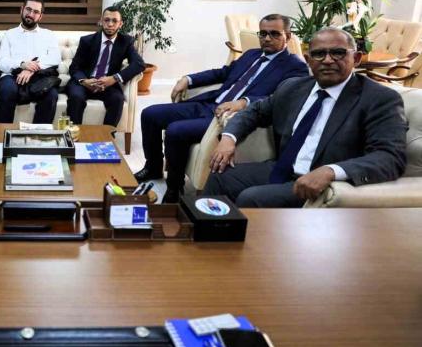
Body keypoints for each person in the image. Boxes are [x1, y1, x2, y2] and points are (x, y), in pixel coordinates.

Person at [204, 27, 407, 207]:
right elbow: (254, 111)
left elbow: (390, 157)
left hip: (323, 183)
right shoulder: (293, 87)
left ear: (356, 58)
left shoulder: (380, 99)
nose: (328, 60)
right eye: (319, 54)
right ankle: (206, 236)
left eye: (338, 53)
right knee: (219, 178)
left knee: (251, 198)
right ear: (308, 60)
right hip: (282, 169)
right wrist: (228, 139)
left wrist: (331, 171)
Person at [137, 14, 309, 203]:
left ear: (288, 36)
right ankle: (153, 167)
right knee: (149, 114)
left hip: (225, 117)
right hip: (209, 103)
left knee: (176, 131)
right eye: (263, 33)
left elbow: (282, 99)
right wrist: (188, 79)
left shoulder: (295, 67)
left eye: (274, 34)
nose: (267, 38)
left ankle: (174, 188)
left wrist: (244, 102)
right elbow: (223, 73)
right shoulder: (251, 54)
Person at [65, 5, 145, 127]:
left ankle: (106, 136)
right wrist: (84, 81)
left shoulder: (126, 42)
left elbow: (139, 64)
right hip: (85, 82)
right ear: (101, 21)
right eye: (107, 20)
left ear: (120, 24)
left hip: (108, 84)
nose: (110, 24)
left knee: (117, 99)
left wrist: (114, 78)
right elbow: (74, 67)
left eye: (114, 21)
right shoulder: (87, 40)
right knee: (76, 97)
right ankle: (74, 135)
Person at [0, 0, 62, 124]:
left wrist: (31, 69)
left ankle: (38, 134)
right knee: (7, 91)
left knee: (51, 95)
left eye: (36, 12)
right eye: (28, 9)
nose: (31, 14)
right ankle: (2, 133)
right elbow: (2, 62)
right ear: (22, 10)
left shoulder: (49, 35)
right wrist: (22, 64)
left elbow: (55, 58)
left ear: (40, 16)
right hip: (12, 76)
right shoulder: (9, 34)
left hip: (39, 76)